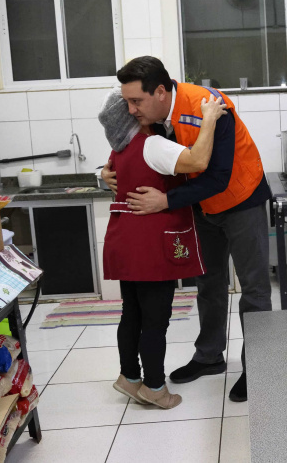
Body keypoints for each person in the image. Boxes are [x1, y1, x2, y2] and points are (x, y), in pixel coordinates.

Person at [101, 56, 272, 403]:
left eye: (137, 101)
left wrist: (166, 201)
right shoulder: (153, 120)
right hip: (201, 206)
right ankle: (209, 355)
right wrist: (101, 174)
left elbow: (218, 176)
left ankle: (259, 368)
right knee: (208, 283)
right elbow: (136, 155)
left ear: (160, 92)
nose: (131, 110)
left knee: (253, 289)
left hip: (241, 199)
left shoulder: (211, 106)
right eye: (127, 102)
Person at [99, 88, 227, 409]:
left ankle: (129, 377)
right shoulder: (152, 145)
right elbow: (198, 159)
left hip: (124, 242)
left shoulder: (119, 149)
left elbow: (113, 174)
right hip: (150, 247)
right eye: (135, 104)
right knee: (156, 319)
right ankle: (155, 387)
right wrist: (209, 119)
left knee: (132, 314)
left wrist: (101, 175)